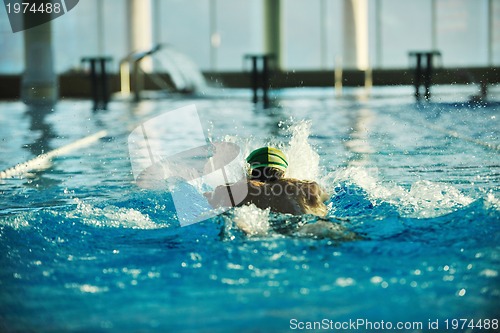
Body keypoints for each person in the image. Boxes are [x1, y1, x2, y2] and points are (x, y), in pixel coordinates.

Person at [204, 147, 330, 217]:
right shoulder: (309, 188)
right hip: (300, 225)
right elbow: (326, 196)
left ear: (249, 171)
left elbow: (210, 200)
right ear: (284, 172)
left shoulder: (233, 189)